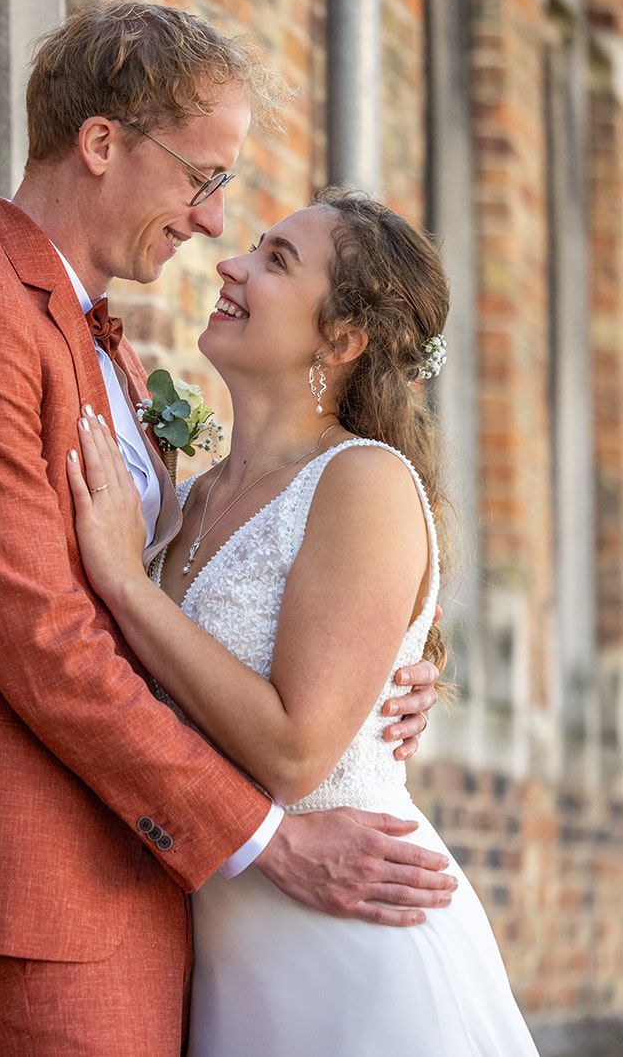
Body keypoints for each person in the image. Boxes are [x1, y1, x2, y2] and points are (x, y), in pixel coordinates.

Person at [0, 2, 452, 1055]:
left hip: (149, 865)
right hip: (35, 868)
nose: (211, 223)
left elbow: (192, 618)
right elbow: (47, 638)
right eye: (200, 178)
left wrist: (385, 675)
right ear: (99, 144)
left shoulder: (113, 356)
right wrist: (267, 839)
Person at [68, 190, 537, 1055]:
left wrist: (125, 585)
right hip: (231, 965)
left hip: (355, 953)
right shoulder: (192, 497)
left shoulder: (363, 484)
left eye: (277, 260)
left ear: (341, 340)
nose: (231, 265)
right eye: (252, 248)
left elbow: (294, 749)